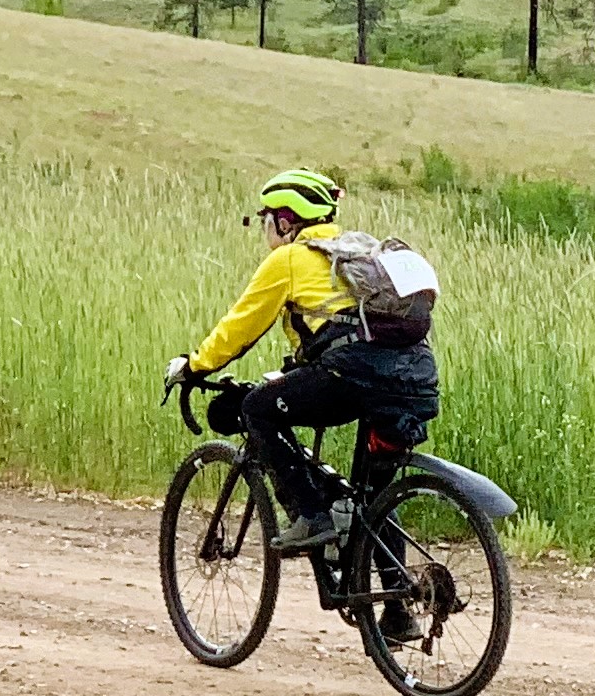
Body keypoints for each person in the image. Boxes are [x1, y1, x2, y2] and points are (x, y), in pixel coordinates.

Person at [168, 168, 439, 553]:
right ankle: (397, 610)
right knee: (375, 498)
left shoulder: (291, 260)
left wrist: (194, 366)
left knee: (257, 407)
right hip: (417, 376)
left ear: (284, 221)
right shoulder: (362, 254)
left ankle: (312, 515)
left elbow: (239, 328)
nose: (264, 231)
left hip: (350, 376)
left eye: (265, 220)